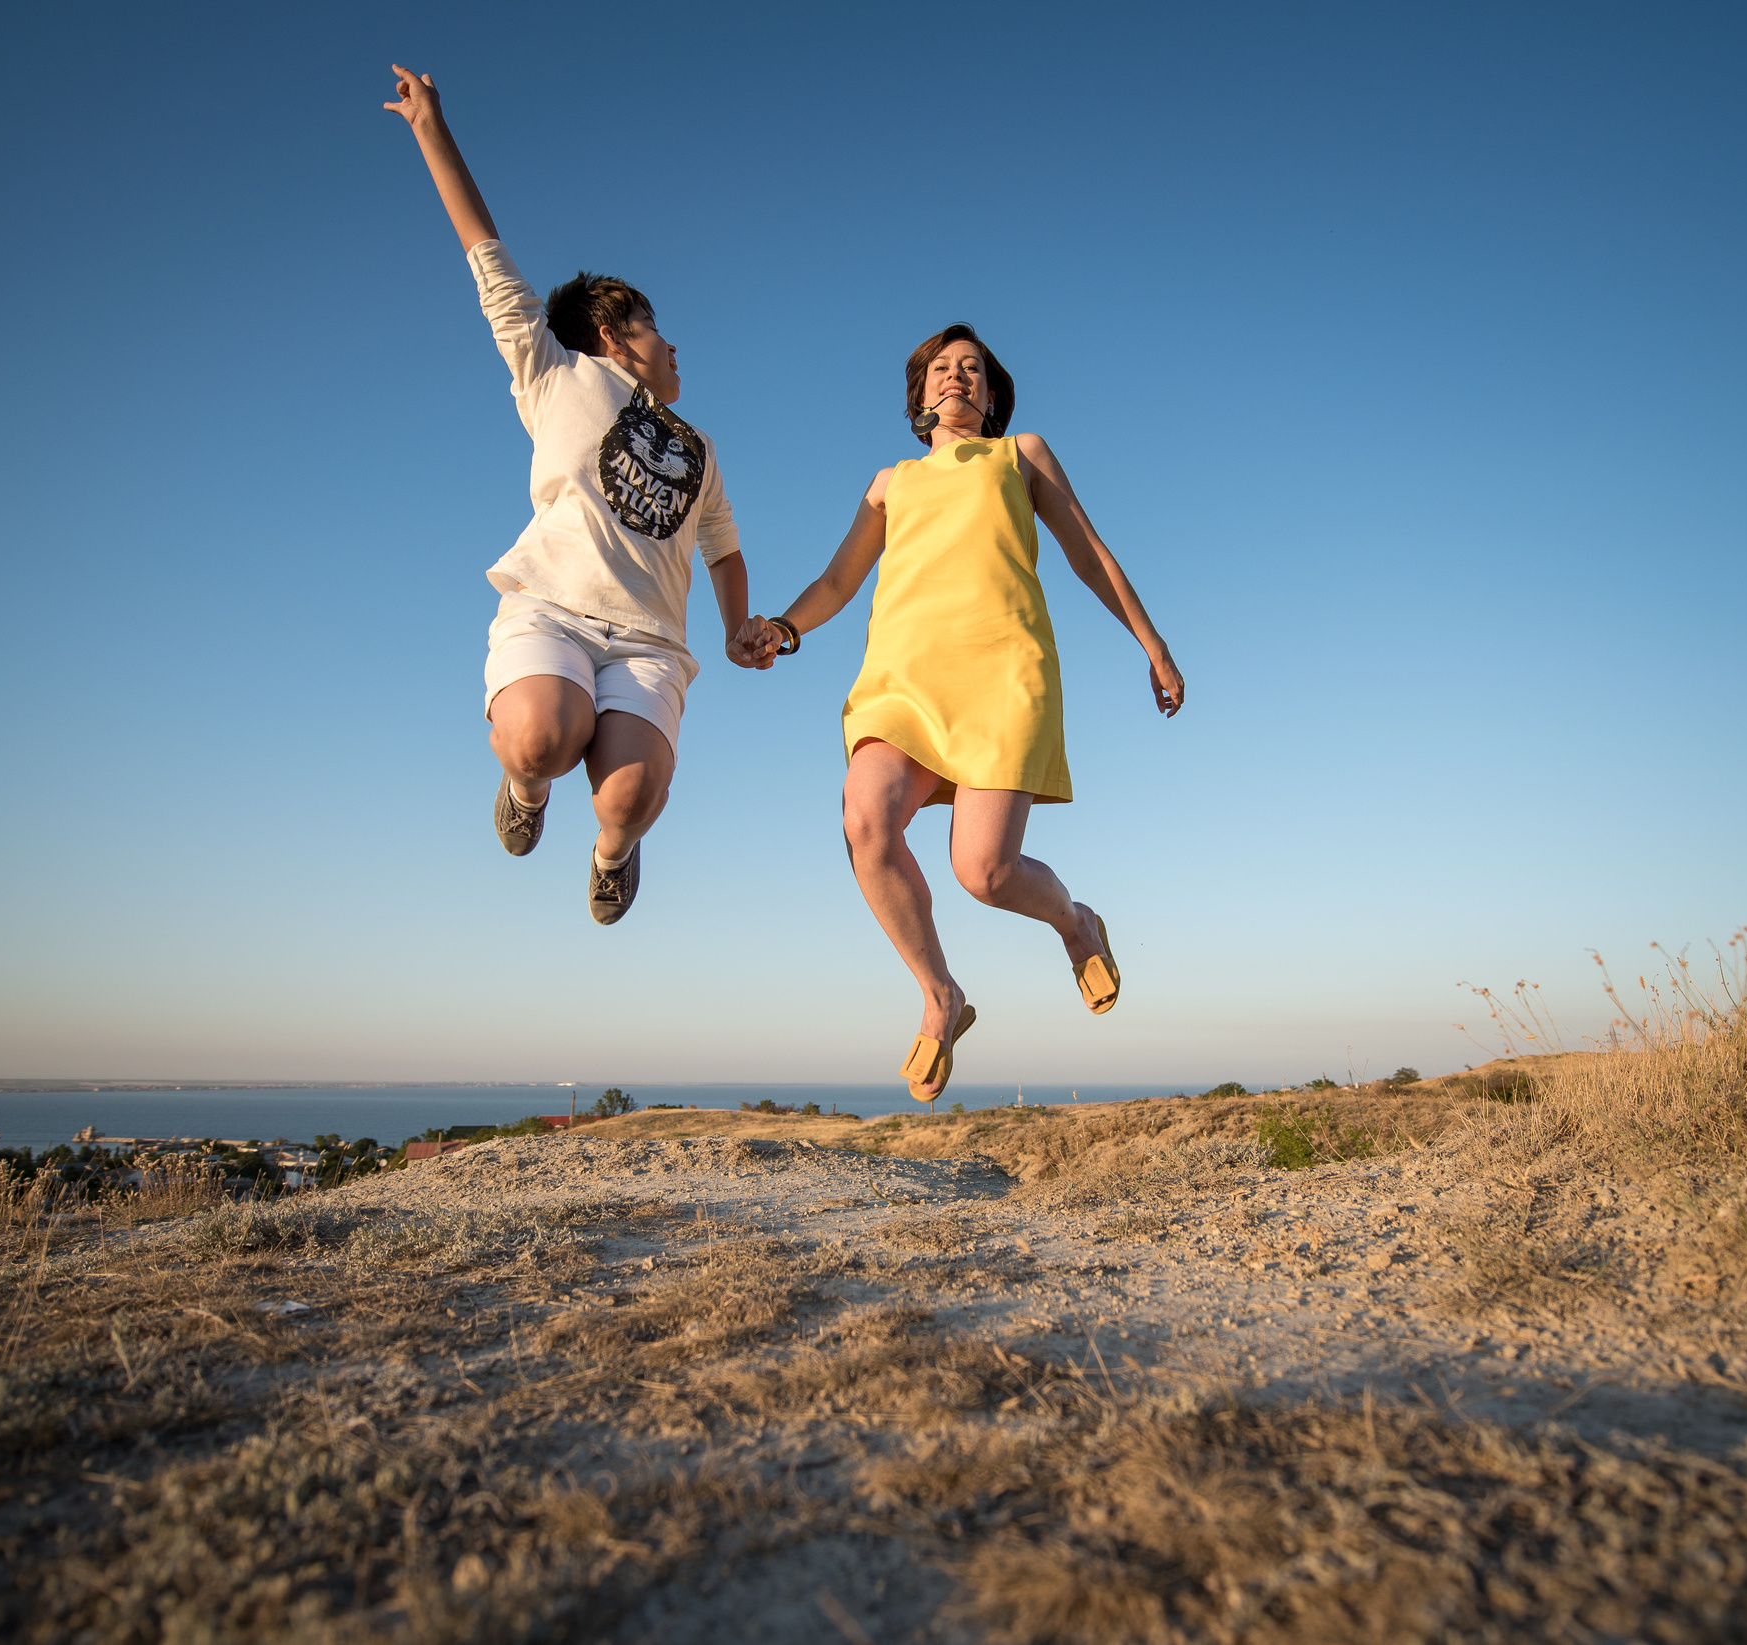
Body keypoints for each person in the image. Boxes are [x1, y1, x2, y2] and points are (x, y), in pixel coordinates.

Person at [385, 64, 777, 924]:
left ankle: (613, 854)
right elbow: (484, 253)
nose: (674, 344)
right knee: (543, 734)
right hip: (553, 612)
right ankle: (523, 786)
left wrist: (738, 626)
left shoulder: (700, 447)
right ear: (614, 335)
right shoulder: (555, 371)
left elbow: (723, 543)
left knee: (629, 797)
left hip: (647, 642)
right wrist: (429, 129)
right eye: (656, 328)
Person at [759, 325, 1183, 1101]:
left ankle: (1076, 923)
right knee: (866, 820)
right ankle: (940, 996)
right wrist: (783, 629)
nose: (958, 376)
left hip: (1001, 671)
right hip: (903, 681)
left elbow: (1090, 552)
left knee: (983, 873)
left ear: (990, 395)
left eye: (973, 369)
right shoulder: (889, 483)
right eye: (942, 369)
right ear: (921, 395)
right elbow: (837, 580)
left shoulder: (1021, 455)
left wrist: (1150, 643)